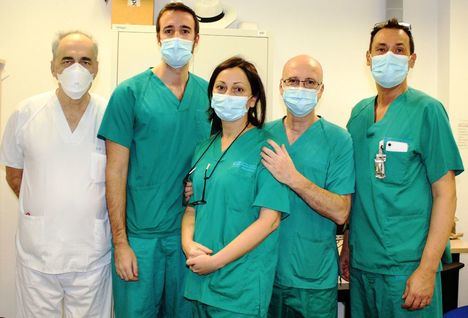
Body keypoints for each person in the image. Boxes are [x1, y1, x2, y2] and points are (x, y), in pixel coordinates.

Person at [341, 18, 464, 317]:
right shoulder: (358, 114)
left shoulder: (428, 111)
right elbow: (355, 188)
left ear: (412, 60)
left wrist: (427, 269)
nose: (389, 56)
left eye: (399, 50)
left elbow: (446, 194)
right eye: (381, 49)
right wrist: (347, 244)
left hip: (408, 268)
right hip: (363, 265)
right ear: (368, 58)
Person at [97, 2, 211, 317]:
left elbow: (220, 162)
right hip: (139, 240)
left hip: (191, 239)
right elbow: (115, 171)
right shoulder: (130, 93)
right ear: (158, 38)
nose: (177, 37)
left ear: (197, 40)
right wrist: (120, 242)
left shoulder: (210, 97)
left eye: (185, 31)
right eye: (169, 30)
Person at [0, 31, 111, 317]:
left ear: (96, 67)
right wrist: (43, 208)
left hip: (92, 253)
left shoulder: (110, 114)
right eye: (67, 60)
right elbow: (14, 175)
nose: (77, 68)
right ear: (53, 67)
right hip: (38, 252)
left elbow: (120, 176)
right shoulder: (26, 113)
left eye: (85, 60)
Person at [181, 56, 290, 317]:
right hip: (200, 282)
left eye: (238, 89)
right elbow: (191, 210)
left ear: (252, 100)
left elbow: (269, 221)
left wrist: (215, 262)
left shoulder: (267, 147)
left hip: (240, 286)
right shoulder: (203, 148)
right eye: (221, 88)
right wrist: (188, 245)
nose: (228, 94)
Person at [261, 55, 355, 318]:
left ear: (321, 90)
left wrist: (293, 177)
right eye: (293, 81)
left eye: (310, 82)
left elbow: (341, 211)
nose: (300, 88)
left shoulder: (338, 139)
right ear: (281, 86)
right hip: (264, 274)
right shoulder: (261, 135)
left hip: (313, 280)